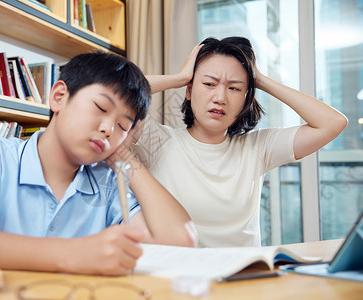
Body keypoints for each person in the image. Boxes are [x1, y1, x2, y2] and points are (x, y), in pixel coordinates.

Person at [0, 51, 197, 276]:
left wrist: (124, 157)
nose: (108, 129)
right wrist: (75, 253)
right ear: (59, 97)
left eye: (123, 126)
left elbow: (180, 240)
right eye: (101, 107)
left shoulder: (108, 182)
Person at [132, 36, 348, 248]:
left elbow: (332, 123)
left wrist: (260, 80)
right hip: (181, 279)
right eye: (209, 83)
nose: (220, 97)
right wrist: (179, 78)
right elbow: (115, 91)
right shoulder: (156, 139)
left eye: (234, 88)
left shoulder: (258, 147)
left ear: (246, 99)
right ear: (189, 90)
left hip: (244, 277)